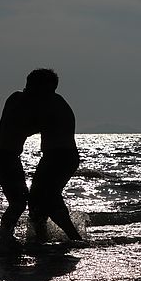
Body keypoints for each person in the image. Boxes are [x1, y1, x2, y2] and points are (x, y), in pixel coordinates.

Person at [26, 69, 83, 242]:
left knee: (47, 197)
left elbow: (32, 126)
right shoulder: (53, 101)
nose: (27, 89)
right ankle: (41, 238)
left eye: (31, 85)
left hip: (60, 156)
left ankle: (74, 238)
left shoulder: (51, 102)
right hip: (58, 156)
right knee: (37, 199)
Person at [0, 87, 38, 245]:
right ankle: (4, 236)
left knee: (19, 199)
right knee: (19, 201)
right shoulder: (18, 99)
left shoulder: (16, 99)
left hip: (7, 155)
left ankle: (5, 234)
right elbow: (23, 125)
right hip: (5, 156)